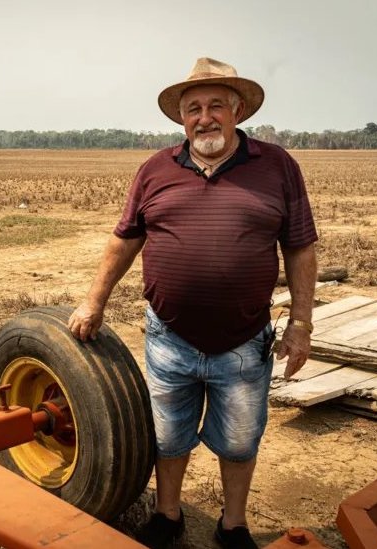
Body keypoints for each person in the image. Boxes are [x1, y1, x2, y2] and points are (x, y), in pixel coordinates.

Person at [68, 57, 318, 549]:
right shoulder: (156, 169)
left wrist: (302, 323)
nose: (205, 117)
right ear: (181, 118)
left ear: (238, 110)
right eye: (193, 108)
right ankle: (168, 514)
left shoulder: (277, 166)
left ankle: (234, 523)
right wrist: (93, 301)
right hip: (169, 337)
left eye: (216, 106)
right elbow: (125, 239)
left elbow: (301, 245)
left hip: (245, 340)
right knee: (167, 435)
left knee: (242, 439)